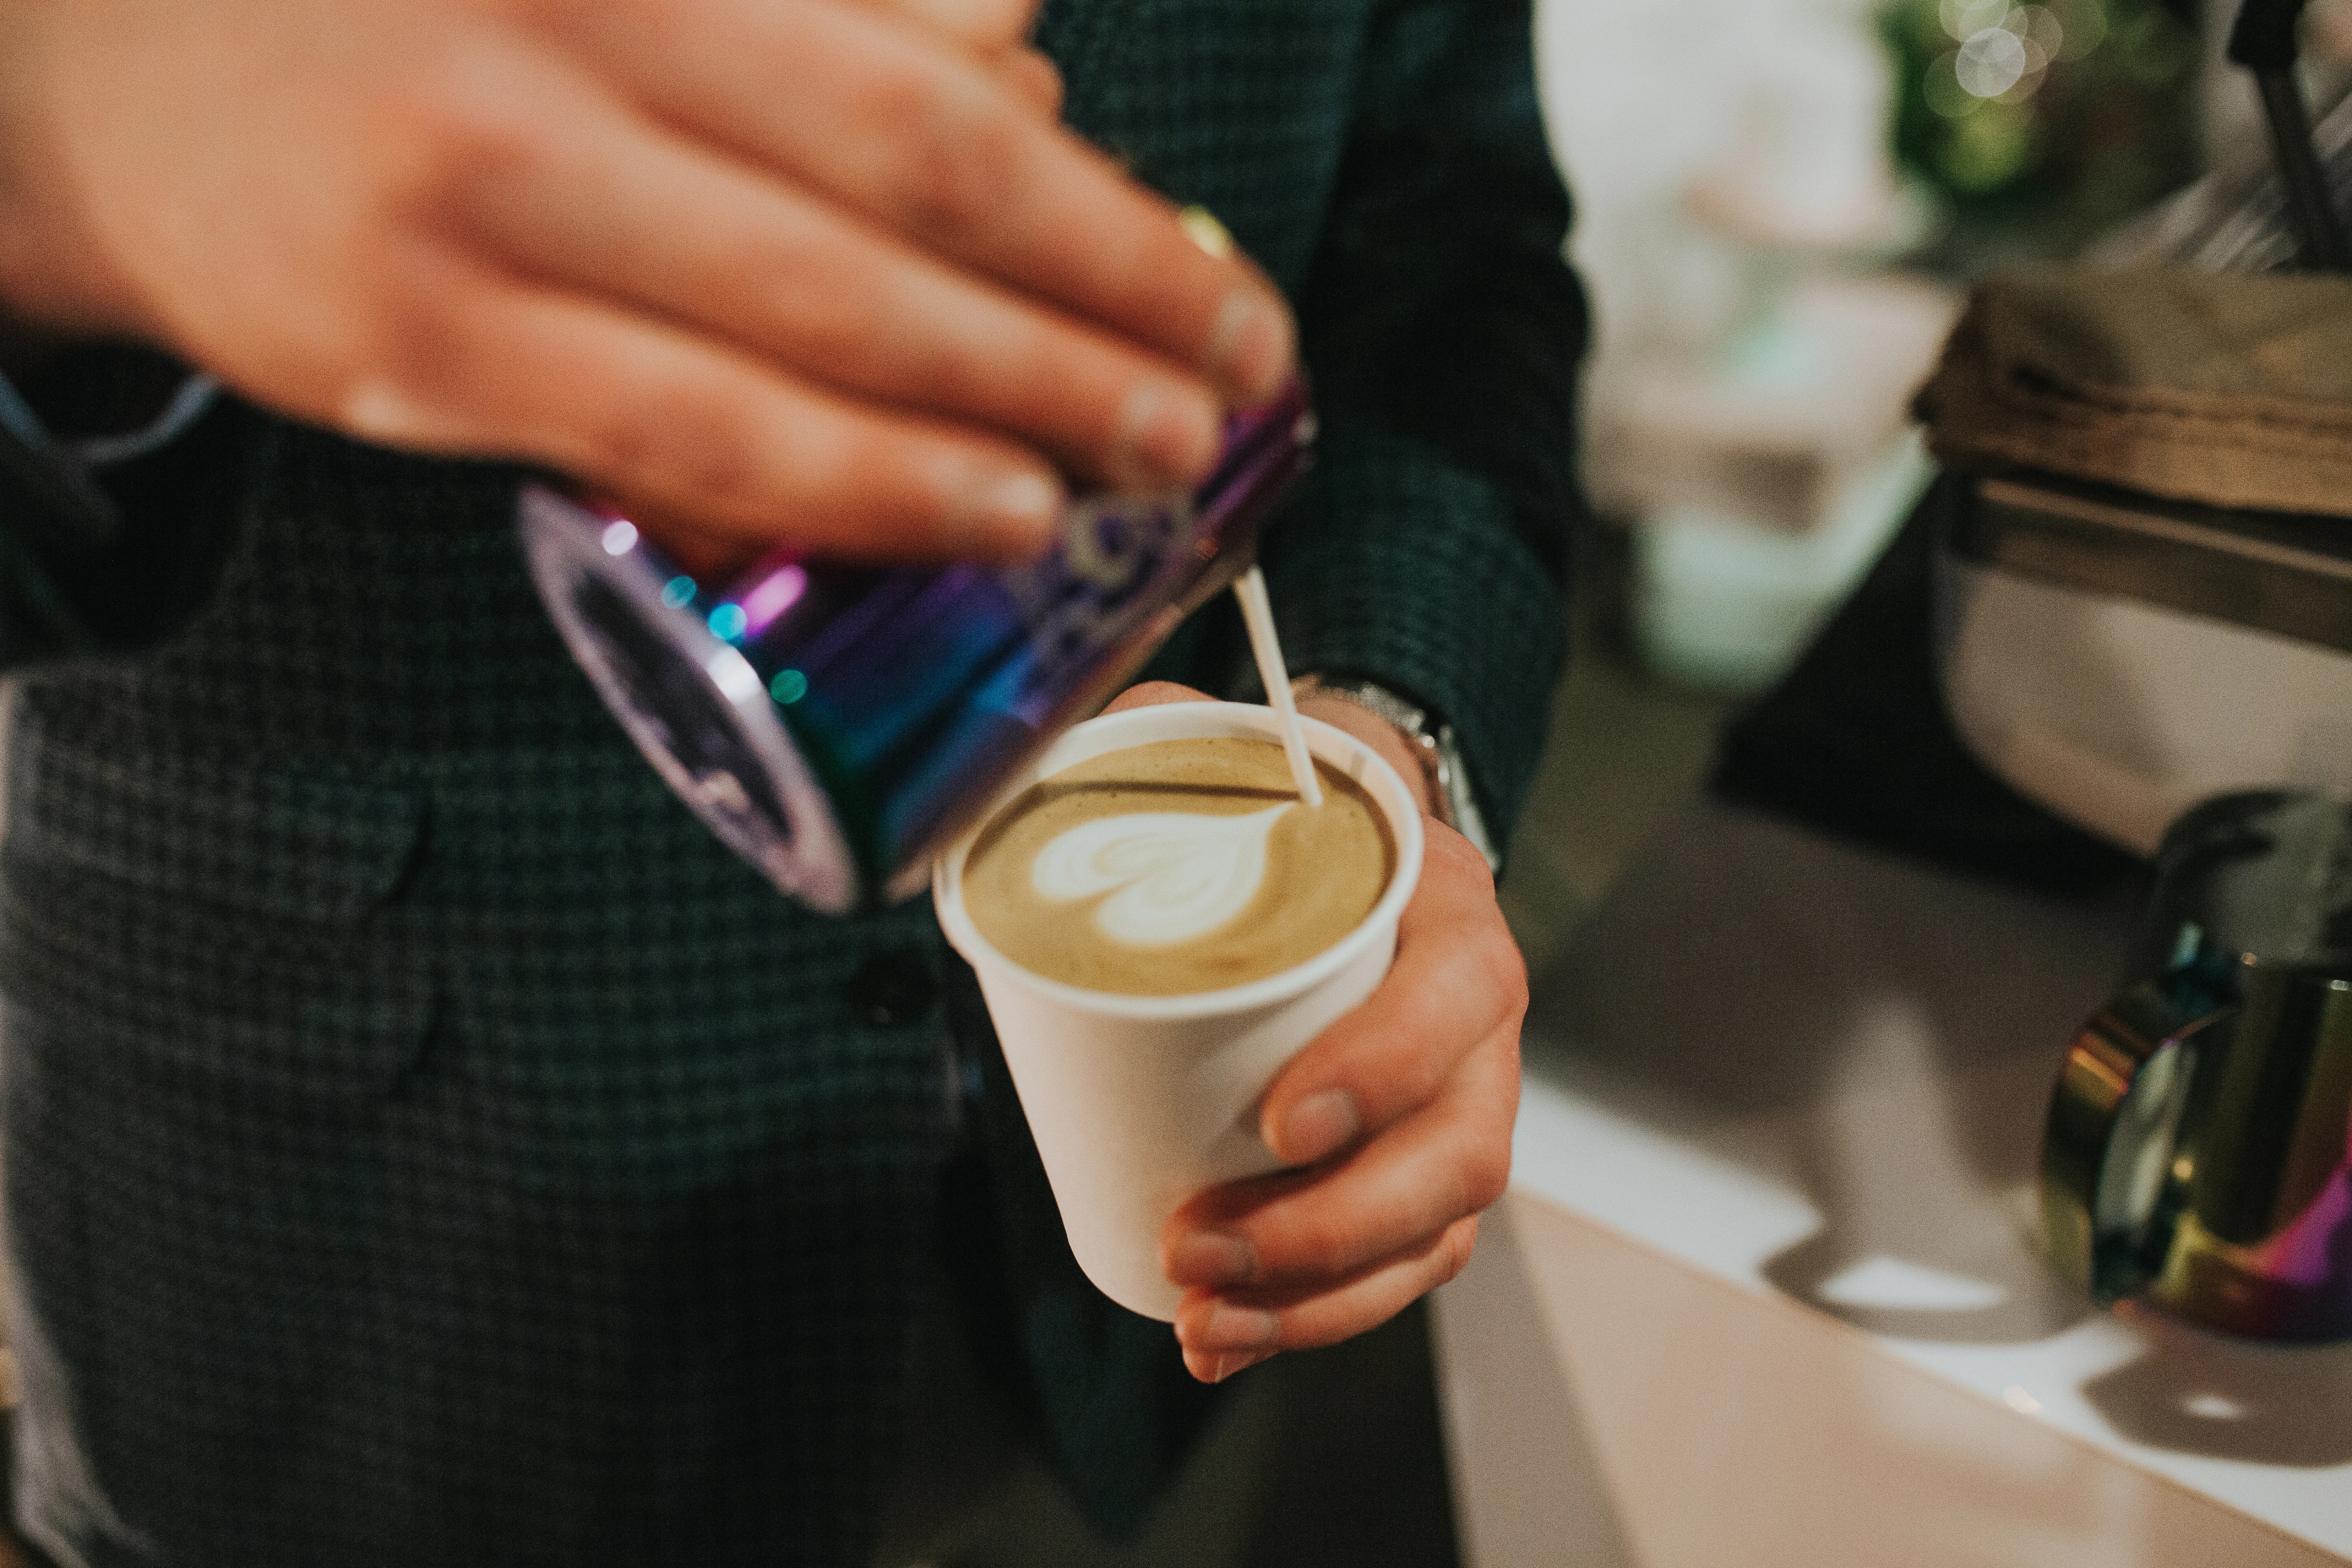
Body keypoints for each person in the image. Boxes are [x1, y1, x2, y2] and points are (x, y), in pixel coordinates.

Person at [0, 1, 1586, 1563]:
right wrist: (58, 154)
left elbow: (1455, 251)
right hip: (359, 1285)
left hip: (1092, 1334)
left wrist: (1386, 744)